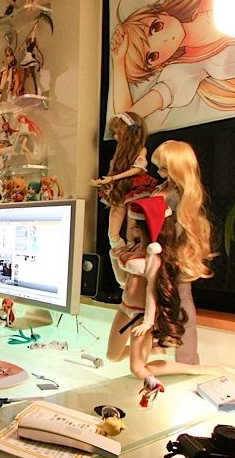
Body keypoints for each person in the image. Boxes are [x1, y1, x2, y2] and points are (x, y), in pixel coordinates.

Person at [105, 196, 217, 407]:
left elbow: (151, 293)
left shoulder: (154, 258)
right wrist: (116, 255)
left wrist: (148, 321)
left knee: (137, 368)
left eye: (136, 226)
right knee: (112, 355)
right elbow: (123, 280)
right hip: (125, 309)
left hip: (140, 316)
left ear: (144, 229)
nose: (132, 229)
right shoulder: (135, 251)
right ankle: (151, 351)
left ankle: (191, 370)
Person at [149, 140, 217, 365]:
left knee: (182, 302)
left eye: (164, 167)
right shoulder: (162, 189)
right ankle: (157, 350)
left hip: (173, 254)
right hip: (157, 252)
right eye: (159, 167)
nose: (160, 172)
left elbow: (180, 227)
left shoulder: (181, 195)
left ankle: (187, 360)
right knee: (156, 301)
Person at [91, 112, 158, 252]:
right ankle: (120, 254)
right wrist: (105, 182)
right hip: (120, 189)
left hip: (135, 188)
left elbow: (137, 169)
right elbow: (113, 170)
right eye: (114, 133)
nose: (115, 137)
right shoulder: (119, 151)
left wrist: (113, 178)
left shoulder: (141, 149)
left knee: (131, 231)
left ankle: (132, 250)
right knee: (112, 232)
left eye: (118, 133)